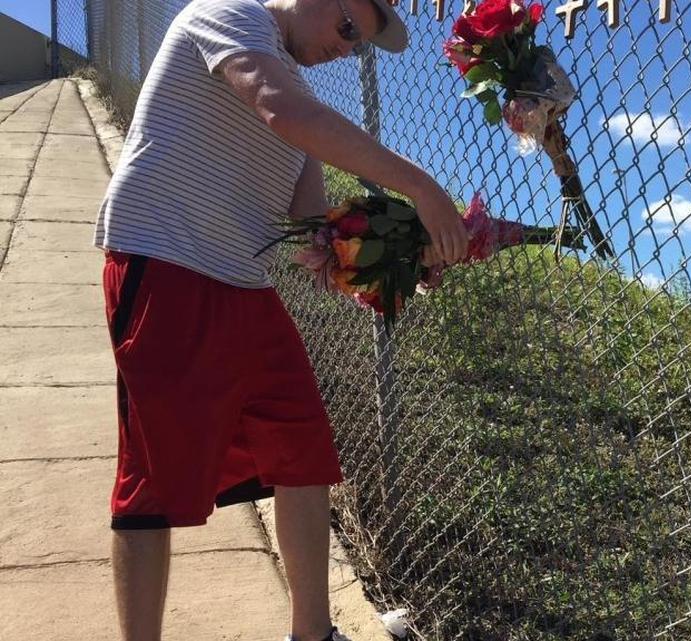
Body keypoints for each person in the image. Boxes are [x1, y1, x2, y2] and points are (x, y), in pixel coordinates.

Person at [93, 0, 468, 639]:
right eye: (348, 28)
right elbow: (278, 107)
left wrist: (390, 264)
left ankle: (312, 633)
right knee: (153, 481)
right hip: (165, 260)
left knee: (303, 449)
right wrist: (421, 187)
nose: (348, 49)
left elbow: (311, 234)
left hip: (241, 281)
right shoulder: (230, 15)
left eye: (361, 45)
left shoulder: (295, 89)